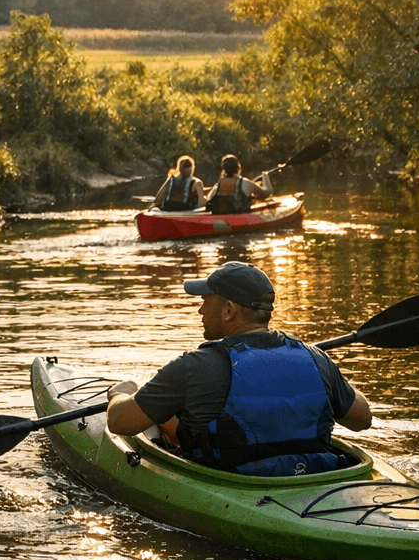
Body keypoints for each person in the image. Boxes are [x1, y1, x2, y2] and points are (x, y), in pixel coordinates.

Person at [106, 261, 372, 477]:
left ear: (228, 310)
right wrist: (328, 376)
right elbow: (362, 419)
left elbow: (119, 422)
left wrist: (120, 393)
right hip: (317, 478)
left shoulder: (195, 366)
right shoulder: (315, 358)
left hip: (239, 484)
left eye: (205, 301)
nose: (200, 310)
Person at [203, 153, 272, 215]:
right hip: (240, 217)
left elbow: (209, 199)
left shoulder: (218, 185)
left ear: (224, 169)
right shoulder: (246, 183)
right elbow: (267, 192)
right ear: (238, 168)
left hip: (221, 217)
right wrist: (265, 177)